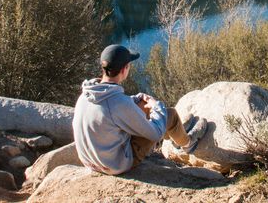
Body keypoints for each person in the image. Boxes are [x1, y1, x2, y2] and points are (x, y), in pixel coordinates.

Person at [72, 44, 207, 175]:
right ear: (125, 69)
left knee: (142, 104)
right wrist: (157, 106)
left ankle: (174, 135)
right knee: (169, 114)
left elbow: (111, 107)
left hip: (91, 161)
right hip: (115, 165)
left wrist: (135, 99)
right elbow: (155, 134)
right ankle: (188, 143)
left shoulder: (86, 94)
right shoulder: (119, 104)